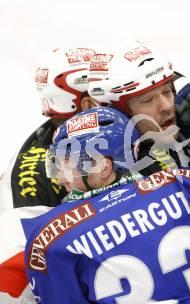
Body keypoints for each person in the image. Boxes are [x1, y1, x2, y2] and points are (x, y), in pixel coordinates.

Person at [23, 107, 190, 304]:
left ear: (102, 167)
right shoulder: (188, 183)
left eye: (64, 164)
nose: (58, 178)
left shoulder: (49, 237)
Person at [0, 46, 100, 302]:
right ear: (86, 104)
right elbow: (12, 283)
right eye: (104, 91)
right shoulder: (35, 174)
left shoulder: (87, 134)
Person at [87, 40, 190, 176]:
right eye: (148, 100)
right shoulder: (99, 169)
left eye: (167, 92)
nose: (166, 106)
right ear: (118, 112)